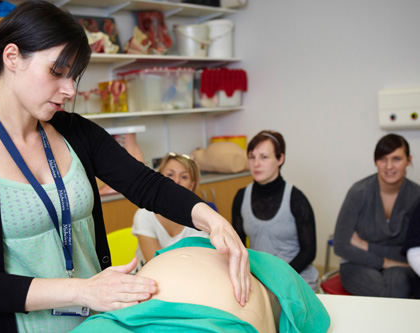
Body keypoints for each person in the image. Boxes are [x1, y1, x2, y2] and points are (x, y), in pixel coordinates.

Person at [0, 2, 250, 332]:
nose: (68, 90)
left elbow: (146, 185)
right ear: (12, 58)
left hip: (98, 323)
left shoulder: (74, 131)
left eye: (73, 76)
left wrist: (212, 220)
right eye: (56, 72)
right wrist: (84, 290)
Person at [70, 237, 331, 333]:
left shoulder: (253, 262)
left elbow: (292, 294)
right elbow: (301, 307)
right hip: (132, 317)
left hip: (211, 320)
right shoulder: (253, 261)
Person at [334, 134, 420, 298]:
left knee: (399, 282)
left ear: (408, 161)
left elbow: (412, 251)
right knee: (395, 291)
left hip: (399, 268)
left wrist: (365, 245)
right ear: (375, 162)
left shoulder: (417, 197)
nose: (389, 166)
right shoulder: (358, 192)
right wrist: (385, 262)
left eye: (396, 159)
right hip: (357, 264)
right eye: (382, 159)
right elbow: (341, 245)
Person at [232, 130, 319, 291]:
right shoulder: (241, 196)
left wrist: (278, 278)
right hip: (260, 280)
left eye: (264, 157)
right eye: (252, 157)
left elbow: (309, 252)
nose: (256, 164)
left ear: (280, 159)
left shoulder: (296, 199)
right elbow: (238, 246)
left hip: (295, 279)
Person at [132, 152, 209, 270]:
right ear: (159, 179)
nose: (176, 181)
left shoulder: (199, 219)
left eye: (184, 177)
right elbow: (156, 265)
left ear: (191, 185)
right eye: (170, 175)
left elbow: (200, 262)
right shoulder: (144, 215)